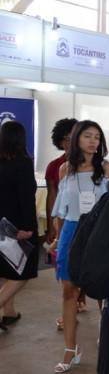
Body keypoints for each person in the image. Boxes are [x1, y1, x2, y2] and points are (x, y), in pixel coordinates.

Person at [52, 120, 109, 373]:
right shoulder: (65, 169)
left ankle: (105, 334)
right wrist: (58, 239)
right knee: (68, 290)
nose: (93, 141)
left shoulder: (107, 168)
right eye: (88, 136)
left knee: (100, 290)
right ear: (77, 138)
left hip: (98, 233)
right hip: (70, 231)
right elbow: (62, 209)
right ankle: (70, 349)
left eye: (97, 137)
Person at [43, 118, 82, 331]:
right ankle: (71, 309)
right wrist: (51, 226)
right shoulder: (55, 166)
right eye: (66, 139)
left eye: (73, 138)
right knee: (65, 270)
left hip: (85, 224)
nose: (70, 143)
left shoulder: (94, 164)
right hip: (65, 222)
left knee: (85, 267)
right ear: (60, 141)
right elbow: (53, 196)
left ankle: (79, 300)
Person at [0, 121, 38, 332]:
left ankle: (10, 312)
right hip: (17, 227)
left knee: (5, 268)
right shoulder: (22, 162)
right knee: (23, 272)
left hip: (1, 225)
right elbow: (26, 197)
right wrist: (29, 227)